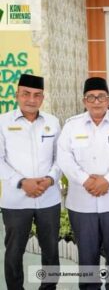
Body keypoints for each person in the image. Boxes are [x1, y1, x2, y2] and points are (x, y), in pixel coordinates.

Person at [57, 77, 109, 290]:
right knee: (86, 255)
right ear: (84, 100)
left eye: (101, 97)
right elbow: (64, 157)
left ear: (108, 99)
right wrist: (86, 180)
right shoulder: (71, 125)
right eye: (91, 97)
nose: (96, 101)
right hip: (82, 203)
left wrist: (107, 180)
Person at [0, 73, 61, 290]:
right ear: (17, 95)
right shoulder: (3, 122)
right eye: (26, 94)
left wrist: (50, 179)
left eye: (37, 95)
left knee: (51, 251)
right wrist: (22, 181)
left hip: (48, 199)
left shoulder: (52, 122)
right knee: (14, 251)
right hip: (16, 200)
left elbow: (60, 158)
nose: (31, 99)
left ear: (43, 98)